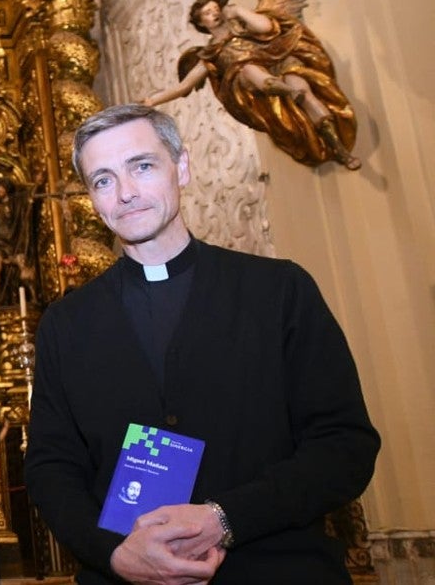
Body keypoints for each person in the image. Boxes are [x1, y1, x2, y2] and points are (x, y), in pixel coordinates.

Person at [24, 104, 379, 584]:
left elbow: (344, 446)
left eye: (142, 167)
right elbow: (51, 469)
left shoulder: (278, 291)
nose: (125, 193)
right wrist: (115, 554)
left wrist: (224, 517)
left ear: (182, 167)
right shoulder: (66, 324)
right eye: (102, 180)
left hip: (278, 569)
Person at [140, 0, 362, 170]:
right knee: (248, 68)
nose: (214, 14)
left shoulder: (240, 27)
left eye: (215, 9)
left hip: (274, 62)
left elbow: (266, 27)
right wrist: (152, 101)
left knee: (305, 91)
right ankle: (287, 91)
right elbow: (184, 86)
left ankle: (340, 150)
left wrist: (237, 11)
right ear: (201, 22)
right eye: (207, 13)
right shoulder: (209, 55)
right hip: (246, 79)